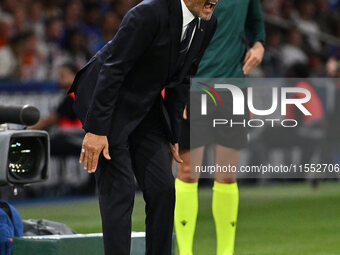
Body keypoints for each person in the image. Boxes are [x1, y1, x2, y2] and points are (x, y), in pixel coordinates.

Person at [69, 0, 218, 254]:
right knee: (120, 190)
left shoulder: (207, 22)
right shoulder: (148, 13)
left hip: (144, 104)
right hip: (107, 100)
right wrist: (96, 130)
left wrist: (172, 134)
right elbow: (113, 69)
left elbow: (183, 79)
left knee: (162, 189)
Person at [174, 1, 265, 255]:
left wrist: (259, 45)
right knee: (188, 171)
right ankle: (184, 252)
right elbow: (172, 31)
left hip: (232, 89)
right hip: (194, 87)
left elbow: (256, 23)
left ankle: (226, 252)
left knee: (226, 175)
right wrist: (176, 88)